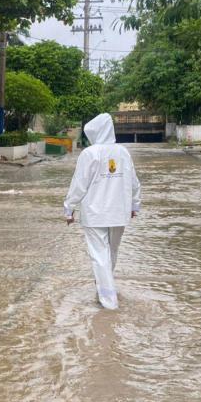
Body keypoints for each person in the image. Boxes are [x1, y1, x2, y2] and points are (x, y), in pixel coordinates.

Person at [63, 113, 142, 310]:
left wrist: (69, 207)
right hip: (119, 212)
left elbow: (79, 184)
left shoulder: (90, 153)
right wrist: (134, 205)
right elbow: (134, 182)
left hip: (95, 213)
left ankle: (108, 299)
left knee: (99, 255)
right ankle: (105, 288)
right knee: (111, 252)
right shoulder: (123, 152)